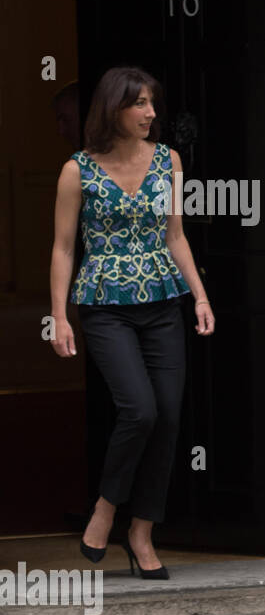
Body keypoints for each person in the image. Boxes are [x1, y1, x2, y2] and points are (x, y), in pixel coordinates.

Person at [48, 66, 215, 580]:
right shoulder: (78, 170)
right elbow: (63, 247)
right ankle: (106, 507)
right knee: (138, 409)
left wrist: (200, 298)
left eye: (151, 104)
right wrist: (58, 316)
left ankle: (141, 531)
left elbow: (176, 236)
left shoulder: (169, 162)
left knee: (166, 416)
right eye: (140, 104)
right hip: (104, 306)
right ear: (113, 110)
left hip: (164, 302)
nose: (150, 113)